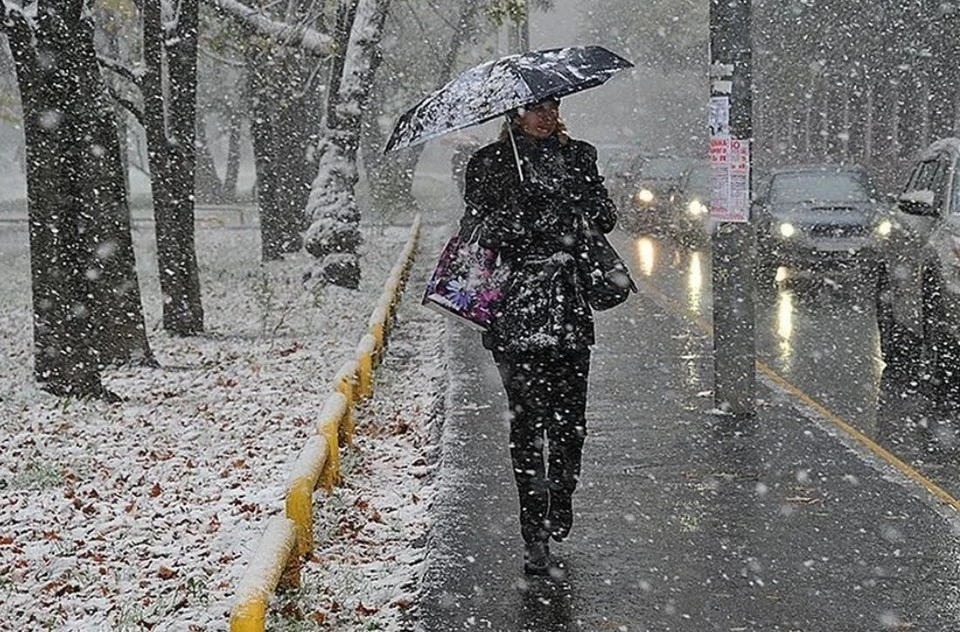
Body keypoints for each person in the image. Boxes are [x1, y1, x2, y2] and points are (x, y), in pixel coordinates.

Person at [458, 96, 618, 576]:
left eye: (552, 106)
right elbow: (476, 231)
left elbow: (606, 216)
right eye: (535, 109)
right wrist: (522, 216)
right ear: (514, 115)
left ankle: (561, 493)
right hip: (515, 311)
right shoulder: (489, 164)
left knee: (570, 424)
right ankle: (534, 532)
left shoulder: (578, 156)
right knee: (527, 427)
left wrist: (576, 206)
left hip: (568, 307)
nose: (546, 116)